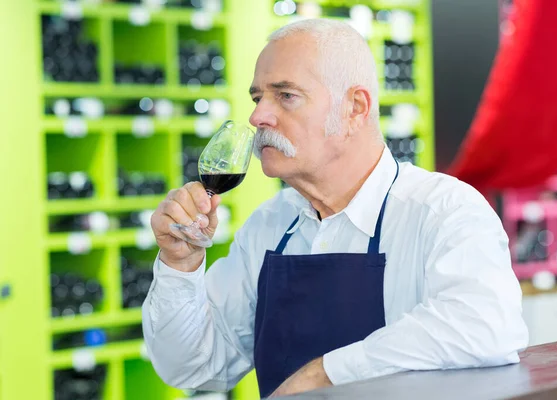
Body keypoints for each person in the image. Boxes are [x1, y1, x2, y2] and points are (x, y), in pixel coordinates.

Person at [142, 18, 529, 398]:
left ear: (355, 108)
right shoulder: (269, 226)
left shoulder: (442, 211)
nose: (258, 116)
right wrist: (180, 263)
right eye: (258, 97)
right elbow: (192, 365)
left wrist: (327, 374)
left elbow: (485, 326)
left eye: (286, 95)